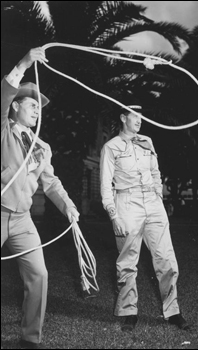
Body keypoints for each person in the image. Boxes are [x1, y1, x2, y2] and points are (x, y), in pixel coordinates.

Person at [1, 47, 80, 349]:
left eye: (39, 107)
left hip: (23, 221)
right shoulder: (3, 131)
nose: (37, 110)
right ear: (14, 107)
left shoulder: (42, 147)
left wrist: (69, 207)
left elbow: (51, 183)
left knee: (40, 275)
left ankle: (30, 339)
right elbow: (4, 93)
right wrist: (24, 62)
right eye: (31, 105)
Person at [100, 99, 189, 332]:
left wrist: (158, 196)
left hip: (152, 202)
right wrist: (113, 215)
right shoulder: (111, 147)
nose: (139, 120)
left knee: (166, 259)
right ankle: (129, 311)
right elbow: (105, 185)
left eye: (141, 116)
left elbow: (155, 172)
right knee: (128, 261)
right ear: (123, 117)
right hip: (126, 203)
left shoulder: (147, 142)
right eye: (134, 115)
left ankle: (173, 311)